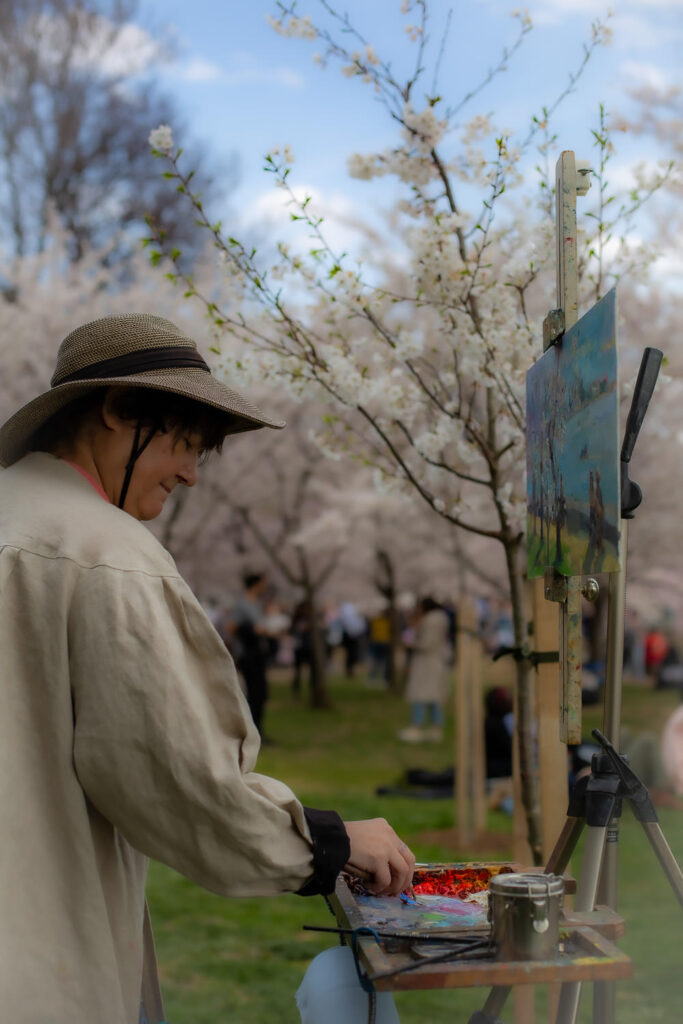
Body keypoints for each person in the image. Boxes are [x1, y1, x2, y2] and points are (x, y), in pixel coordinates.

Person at [0, 313, 415, 1024]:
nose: (191, 473)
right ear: (119, 410)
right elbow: (171, 776)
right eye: (186, 441)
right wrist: (329, 840)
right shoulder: (106, 553)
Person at [398, 596, 450, 743]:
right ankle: (436, 728)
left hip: (426, 662)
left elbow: (426, 643)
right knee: (434, 697)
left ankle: (416, 727)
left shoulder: (430, 620)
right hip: (436, 661)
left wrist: (412, 643)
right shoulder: (441, 618)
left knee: (420, 695)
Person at [229, 571, 271, 736]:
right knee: (254, 692)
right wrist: (253, 631)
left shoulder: (256, 603)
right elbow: (232, 628)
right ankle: (251, 731)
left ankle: (258, 730)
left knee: (261, 693)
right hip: (248, 653)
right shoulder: (242, 604)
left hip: (259, 652)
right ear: (256, 584)